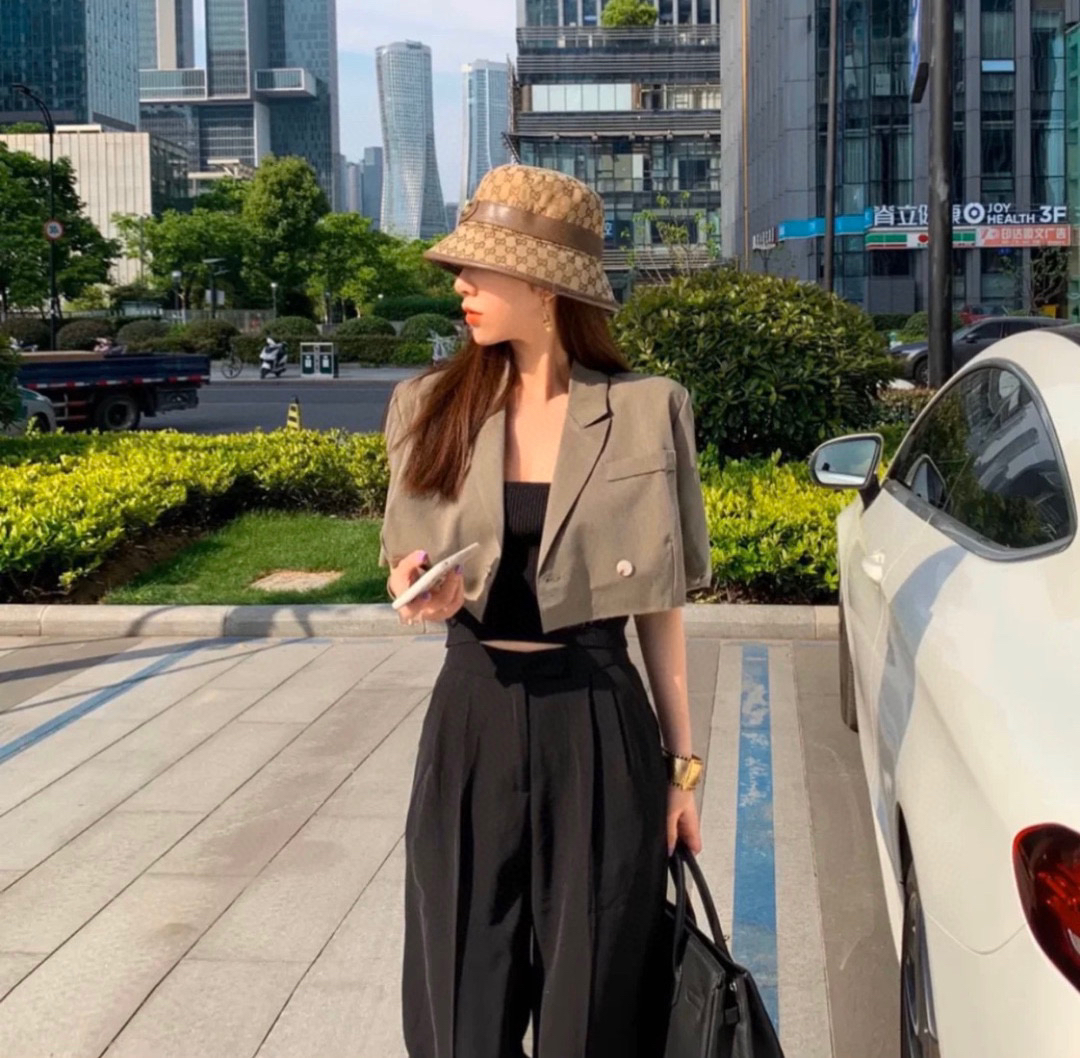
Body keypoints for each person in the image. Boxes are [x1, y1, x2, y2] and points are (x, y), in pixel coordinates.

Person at [380, 164, 712, 1058]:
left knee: (593, 1008)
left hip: (598, 723)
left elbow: (661, 608)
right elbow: (405, 558)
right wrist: (420, 585)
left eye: (479, 269)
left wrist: (682, 775)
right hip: (472, 717)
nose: (460, 285)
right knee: (460, 998)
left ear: (543, 287)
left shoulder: (648, 411)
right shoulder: (427, 407)